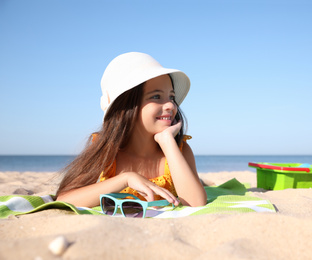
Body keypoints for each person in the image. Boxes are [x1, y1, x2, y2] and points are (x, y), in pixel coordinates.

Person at [56, 52, 207, 208]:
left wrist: (167, 141)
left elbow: (196, 203)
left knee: (199, 183)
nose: (170, 105)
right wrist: (125, 179)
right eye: (156, 97)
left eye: (171, 97)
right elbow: (64, 199)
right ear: (127, 106)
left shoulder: (179, 150)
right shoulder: (105, 150)